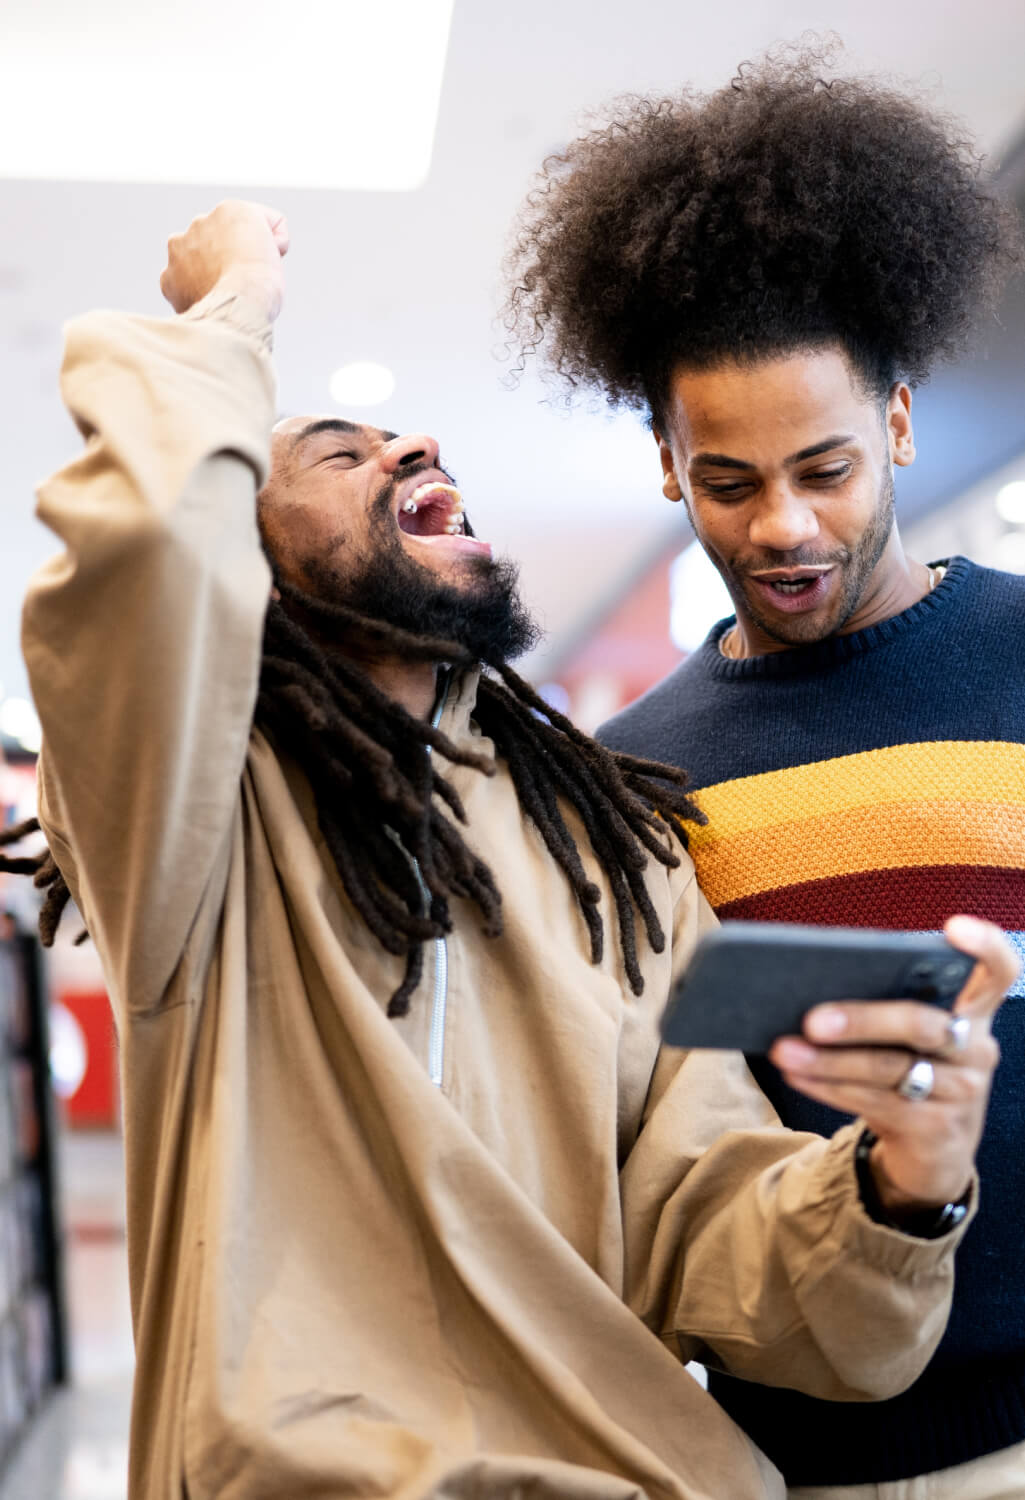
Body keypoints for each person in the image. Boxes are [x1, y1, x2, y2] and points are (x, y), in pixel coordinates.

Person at [12, 201, 1015, 1500]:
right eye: (335, 451)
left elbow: (713, 1221)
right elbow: (144, 560)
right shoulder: (195, 833)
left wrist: (897, 1191)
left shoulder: (614, 851)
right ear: (244, 566)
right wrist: (230, 312)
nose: (412, 444)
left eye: (820, 471)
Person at [504, 45, 1025, 1500]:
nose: (782, 524)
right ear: (666, 464)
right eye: (727, 482)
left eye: (828, 468)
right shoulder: (628, 774)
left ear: (901, 426)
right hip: (779, 1447)